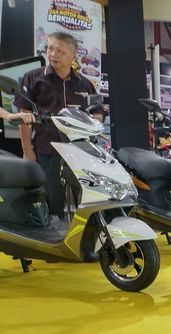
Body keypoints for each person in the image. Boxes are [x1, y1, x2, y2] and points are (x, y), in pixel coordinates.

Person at [15, 32, 100, 219]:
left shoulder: (85, 84)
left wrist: (96, 120)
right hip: (47, 150)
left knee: (86, 200)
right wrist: (27, 150)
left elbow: (98, 113)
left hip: (80, 152)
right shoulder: (33, 78)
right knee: (51, 200)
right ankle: (53, 232)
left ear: (73, 55)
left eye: (60, 51)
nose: (53, 54)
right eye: (50, 48)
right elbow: (24, 117)